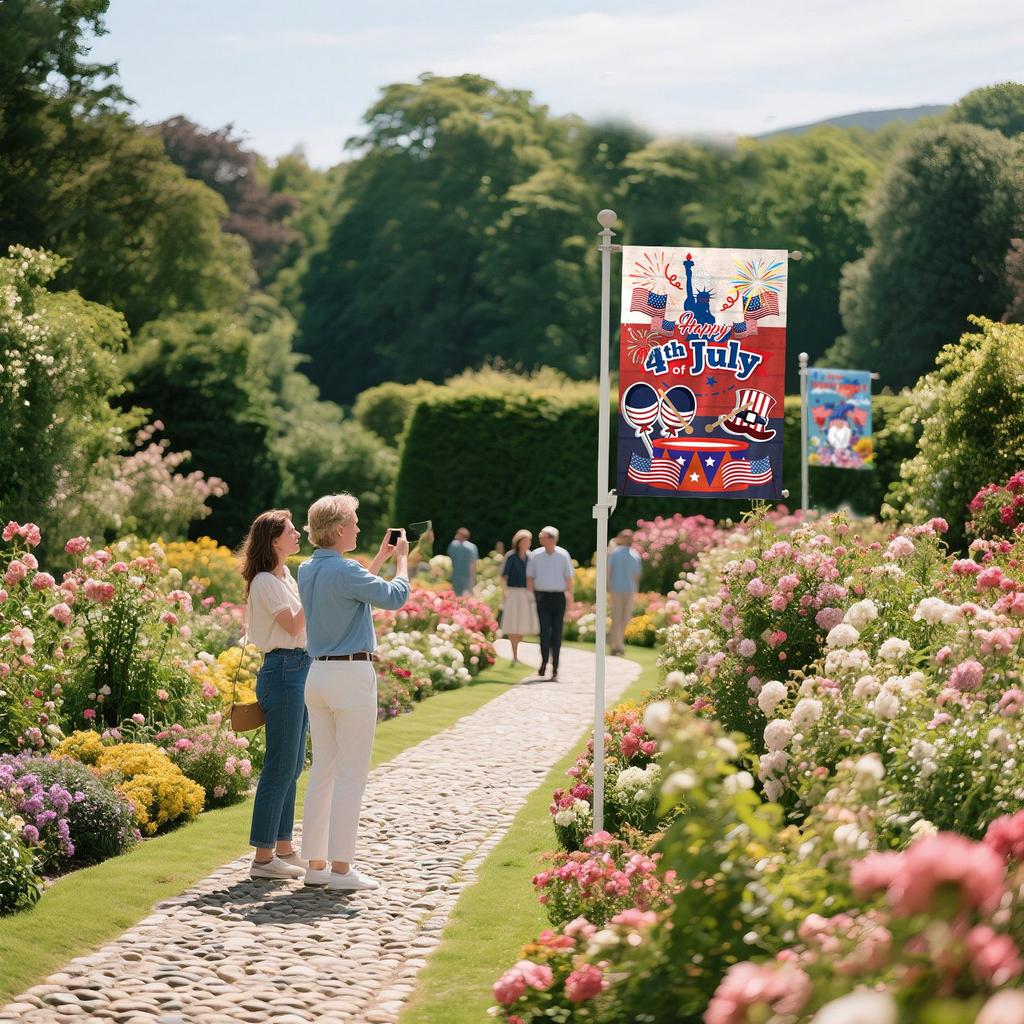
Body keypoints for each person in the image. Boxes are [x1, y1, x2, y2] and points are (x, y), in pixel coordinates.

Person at [298, 494, 409, 892]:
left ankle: (315, 865)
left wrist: (376, 560)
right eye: (355, 522)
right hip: (350, 674)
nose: (360, 528)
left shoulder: (307, 568)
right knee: (350, 774)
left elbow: (353, 591)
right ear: (340, 529)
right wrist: (401, 561)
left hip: (319, 676)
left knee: (323, 771)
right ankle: (342, 870)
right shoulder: (345, 570)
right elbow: (395, 597)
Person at [240, 509, 310, 881]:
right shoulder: (266, 580)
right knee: (279, 765)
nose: (298, 534)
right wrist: (317, 590)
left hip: (299, 667)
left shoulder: (287, 576)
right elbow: (294, 624)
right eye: (291, 531)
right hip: (283, 671)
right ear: (274, 540)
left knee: (293, 764)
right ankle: (263, 858)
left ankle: (283, 847)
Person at [526, 526, 574, 680]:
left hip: (558, 598)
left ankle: (555, 667)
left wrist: (570, 597)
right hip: (542, 597)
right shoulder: (536, 555)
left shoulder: (562, 555)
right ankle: (544, 662)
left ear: (552, 539)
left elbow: (568, 577)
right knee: (544, 632)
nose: (540, 539)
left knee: (557, 633)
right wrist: (531, 596)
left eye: (543, 536)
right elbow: (530, 577)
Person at [500, 529, 539, 663]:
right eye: (525, 540)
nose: (527, 543)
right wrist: (505, 593)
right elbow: (504, 577)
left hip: (525, 593)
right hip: (513, 592)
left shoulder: (531, 557)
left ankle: (517, 652)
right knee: (512, 622)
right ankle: (514, 654)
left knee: (522, 623)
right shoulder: (511, 556)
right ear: (519, 542)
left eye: (529, 540)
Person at [608, 529, 642, 656]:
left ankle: (617, 643)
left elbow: (636, 575)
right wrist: (609, 586)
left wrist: (636, 591)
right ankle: (616, 646)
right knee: (616, 618)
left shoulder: (635, 555)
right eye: (625, 536)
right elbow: (609, 570)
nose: (628, 539)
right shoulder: (615, 553)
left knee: (625, 619)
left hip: (629, 590)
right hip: (616, 589)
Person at [447, 527, 479, 596]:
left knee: (458, 598)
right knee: (465, 600)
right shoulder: (472, 547)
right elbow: (473, 564)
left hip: (459, 577)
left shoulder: (453, 545)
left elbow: (450, 560)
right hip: (464, 578)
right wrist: (473, 580)